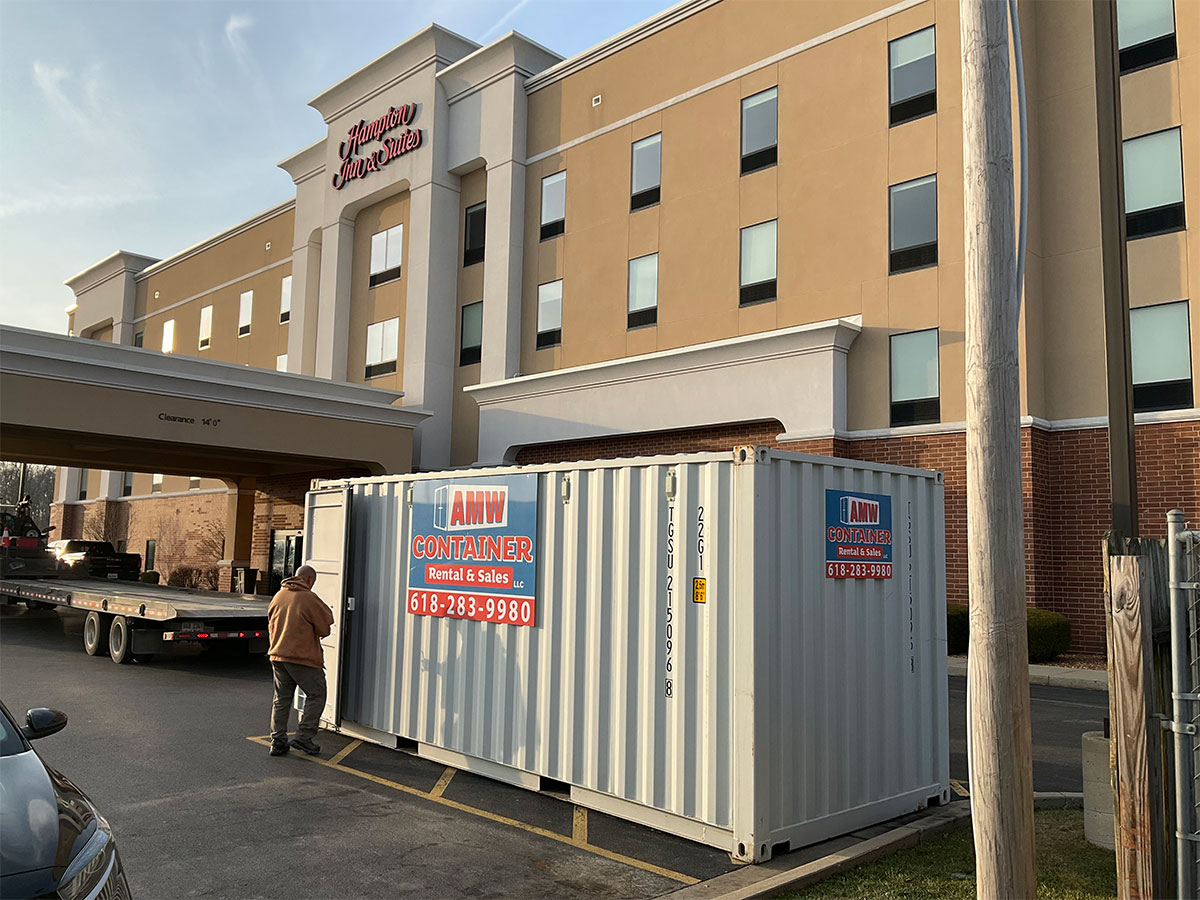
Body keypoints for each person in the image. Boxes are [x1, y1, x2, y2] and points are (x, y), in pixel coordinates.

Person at [267, 564, 334, 756]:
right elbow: (325, 627)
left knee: (281, 699)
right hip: (302, 658)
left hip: (277, 655)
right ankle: (304, 738)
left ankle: (278, 741)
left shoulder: (279, 596)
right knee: (317, 694)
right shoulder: (308, 598)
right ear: (310, 580)